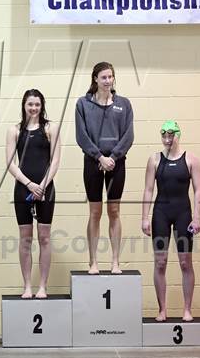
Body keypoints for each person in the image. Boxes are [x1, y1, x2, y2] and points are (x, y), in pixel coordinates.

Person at [76, 62, 134, 274]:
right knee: (95, 212)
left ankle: (115, 261)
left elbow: (129, 135)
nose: (108, 81)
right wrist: (99, 156)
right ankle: (93, 262)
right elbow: (81, 136)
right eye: (104, 77)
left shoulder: (124, 104)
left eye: (110, 77)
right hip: (93, 162)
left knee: (114, 210)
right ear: (95, 80)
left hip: (116, 164)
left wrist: (113, 157)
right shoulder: (83, 104)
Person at [141, 121, 200, 322]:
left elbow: (198, 190)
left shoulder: (191, 159)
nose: (167, 140)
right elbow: (148, 189)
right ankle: (162, 309)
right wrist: (145, 217)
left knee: (185, 262)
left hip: (183, 213)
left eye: (171, 136)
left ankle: (187, 309)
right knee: (160, 262)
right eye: (164, 136)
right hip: (161, 213)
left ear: (178, 136)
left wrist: (197, 217)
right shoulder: (155, 159)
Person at [6, 89, 61, 298]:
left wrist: (43, 185)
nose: (34, 108)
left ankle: (43, 286)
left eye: (37, 104)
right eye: (30, 104)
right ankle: (28, 285)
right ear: (24, 105)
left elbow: (55, 160)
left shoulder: (50, 128)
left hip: (46, 189)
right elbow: (10, 163)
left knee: (45, 237)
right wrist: (29, 184)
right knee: (25, 239)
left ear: (42, 105)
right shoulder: (14, 130)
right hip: (23, 188)